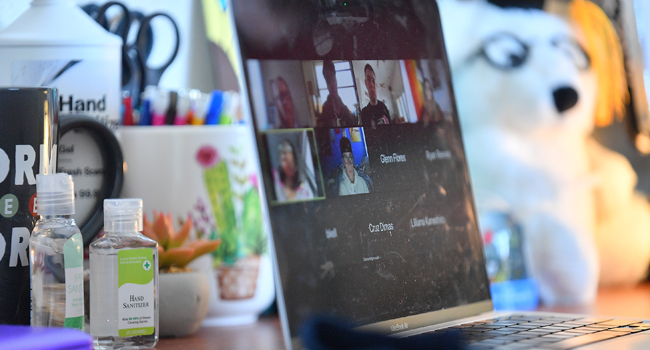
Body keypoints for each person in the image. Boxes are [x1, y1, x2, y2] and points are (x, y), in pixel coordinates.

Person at [319, 60, 357, 127]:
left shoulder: (345, 109)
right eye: (328, 81)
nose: (331, 84)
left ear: (336, 79)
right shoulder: (325, 109)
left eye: (332, 79)